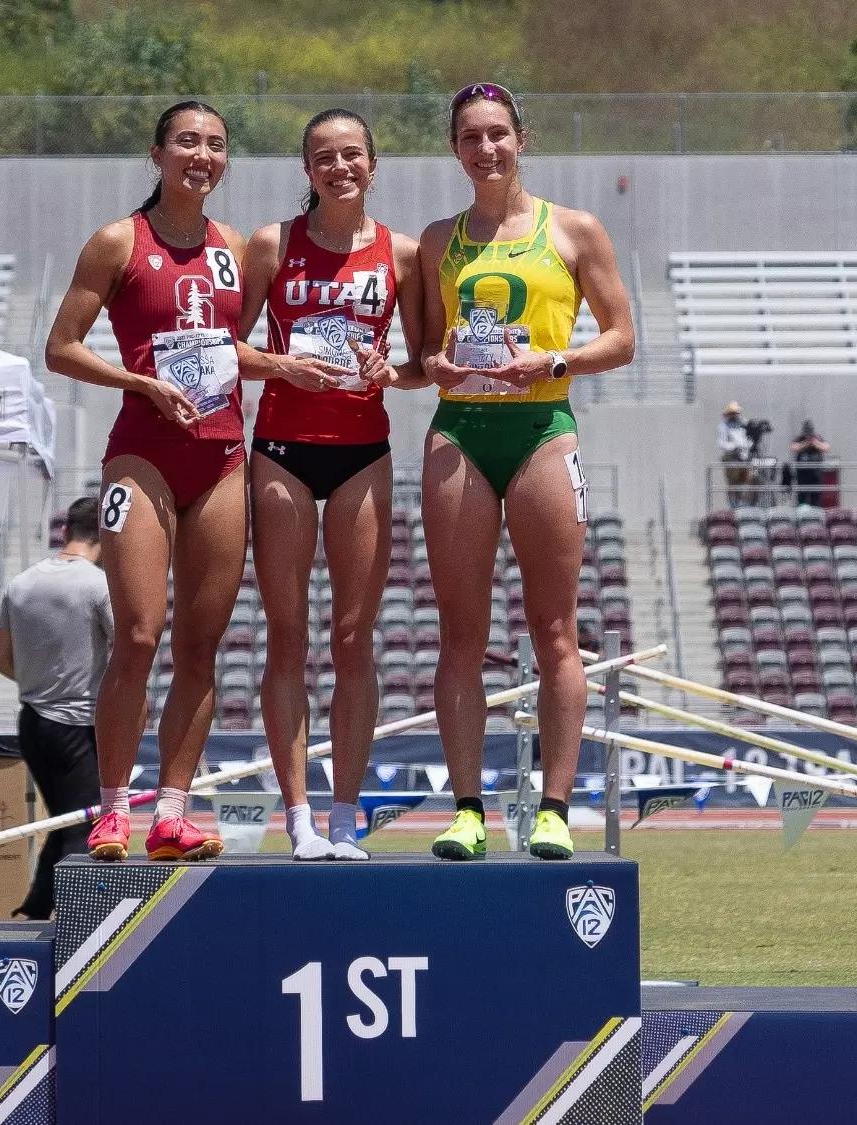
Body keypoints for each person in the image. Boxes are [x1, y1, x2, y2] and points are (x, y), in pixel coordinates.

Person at [44, 101, 271, 863]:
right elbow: (62, 348)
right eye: (186, 143)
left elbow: (237, 349)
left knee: (202, 645)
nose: (200, 156)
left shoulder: (236, 247)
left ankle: (172, 811)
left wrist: (292, 363)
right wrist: (137, 382)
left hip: (222, 455)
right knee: (139, 634)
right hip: (141, 451)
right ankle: (113, 810)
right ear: (158, 153)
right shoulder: (118, 241)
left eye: (214, 146)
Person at [418, 82, 635, 861]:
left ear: (522, 138)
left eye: (498, 134)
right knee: (460, 635)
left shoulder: (574, 229)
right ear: (455, 148)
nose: (486, 149)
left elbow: (622, 337)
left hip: (544, 426)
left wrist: (556, 357)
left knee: (554, 631)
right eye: (471, 137)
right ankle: (468, 809)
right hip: (461, 432)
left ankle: (553, 808)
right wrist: (431, 363)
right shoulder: (437, 239)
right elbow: (420, 356)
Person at [237, 108, 426, 861]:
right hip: (282, 447)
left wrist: (393, 372)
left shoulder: (400, 252)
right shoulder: (271, 243)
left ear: (373, 165)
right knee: (288, 637)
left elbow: (425, 362)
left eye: (352, 155)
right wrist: (280, 363)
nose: (340, 167)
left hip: (362, 451)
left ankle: (347, 814)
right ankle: (300, 816)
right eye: (325, 157)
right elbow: (227, 346)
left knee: (353, 638)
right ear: (307, 168)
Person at [0, 497, 112, 915]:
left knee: (64, 818)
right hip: (78, 721)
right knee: (84, 822)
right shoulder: (98, 585)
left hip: (32, 722)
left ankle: (33, 908)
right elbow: (130, 648)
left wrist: (40, 685)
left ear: (65, 533)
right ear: (107, 536)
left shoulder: (21, 583)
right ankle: (81, 921)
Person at [718, 403, 752, 508]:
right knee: (732, 482)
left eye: (736, 413)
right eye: (732, 413)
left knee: (747, 479)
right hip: (731, 457)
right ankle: (732, 504)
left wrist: (746, 445)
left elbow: (748, 440)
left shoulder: (742, 425)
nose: (734, 415)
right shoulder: (723, 426)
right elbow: (722, 443)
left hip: (744, 457)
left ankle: (744, 502)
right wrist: (734, 447)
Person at [789, 421, 830, 508]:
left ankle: (815, 513)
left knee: (815, 496)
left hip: (816, 473)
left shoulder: (817, 438)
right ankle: (801, 514)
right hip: (802, 474)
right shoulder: (800, 439)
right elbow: (793, 447)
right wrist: (806, 444)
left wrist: (815, 444)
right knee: (802, 496)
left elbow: (826, 447)